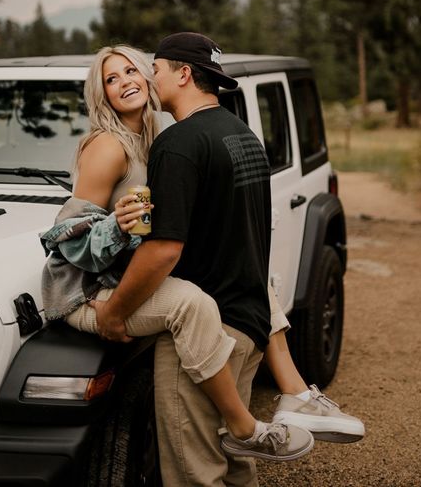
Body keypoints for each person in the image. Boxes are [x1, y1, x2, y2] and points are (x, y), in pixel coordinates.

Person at [90, 34, 363, 487]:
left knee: (196, 471)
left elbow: (164, 249)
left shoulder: (177, 144)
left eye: (153, 68)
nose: (149, 77)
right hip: (248, 327)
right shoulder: (245, 136)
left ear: (182, 74)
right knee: (236, 459)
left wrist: (115, 311)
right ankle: (297, 396)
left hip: (203, 335)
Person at [40, 44, 314, 468]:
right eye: (111, 79)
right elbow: (70, 241)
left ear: (151, 77)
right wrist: (116, 224)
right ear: (102, 94)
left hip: (127, 278)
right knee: (193, 302)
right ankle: (242, 426)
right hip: (87, 291)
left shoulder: (157, 139)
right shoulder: (108, 147)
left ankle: (298, 394)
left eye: (132, 71)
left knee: (253, 283)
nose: (125, 82)